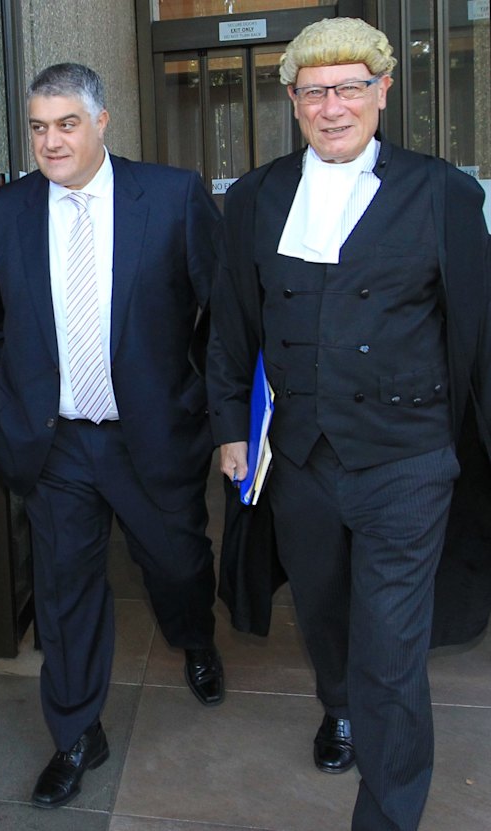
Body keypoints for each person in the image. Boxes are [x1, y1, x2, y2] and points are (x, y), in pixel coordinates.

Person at [207, 17, 490, 831]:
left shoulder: (441, 192)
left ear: (383, 92)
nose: (334, 107)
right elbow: (232, 325)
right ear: (292, 101)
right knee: (325, 610)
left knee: (393, 647)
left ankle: (388, 813)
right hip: (301, 458)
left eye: (351, 88)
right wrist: (232, 425)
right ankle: (339, 703)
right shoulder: (257, 197)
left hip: (407, 460)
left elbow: (477, 326)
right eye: (315, 92)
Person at [0, 62, 224, 810]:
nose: (51, 141)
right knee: (65, 590)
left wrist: (197, 396)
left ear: (102, 122)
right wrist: (1, 401)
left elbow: (224, 314)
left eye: (66, 123)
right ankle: (77, 732)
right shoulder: (5, 210)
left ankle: (194, 637)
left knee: (176, 562)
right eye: (39, 127)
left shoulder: (172, 198)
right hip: (58, 445)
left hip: (152, 435)